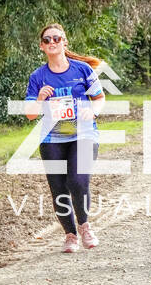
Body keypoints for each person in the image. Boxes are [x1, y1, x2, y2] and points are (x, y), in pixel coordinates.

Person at [25, 23, 105, 253]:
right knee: (59, 188)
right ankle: (70, 235)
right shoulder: (38, 76)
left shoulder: (82, 70)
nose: (52, 42)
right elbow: (30, 114)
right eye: (47, 40)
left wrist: (93, 111)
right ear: (42, 46)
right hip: (52, 139)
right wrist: (40, 98)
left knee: (78, 181)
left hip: (84, 134)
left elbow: (99, 98)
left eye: (57, 38)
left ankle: (85, 227)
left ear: (64, 42)